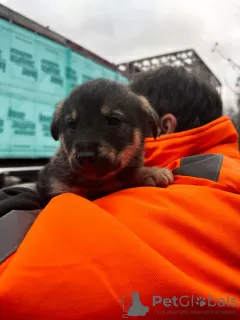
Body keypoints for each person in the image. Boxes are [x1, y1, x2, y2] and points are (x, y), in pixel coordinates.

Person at [0, 66, 240, 320]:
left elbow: (20, 291)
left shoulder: (179, 187)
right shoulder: (224, 168)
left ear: (157, 126)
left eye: (113, 122)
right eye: (71, 125)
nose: (86, 150)